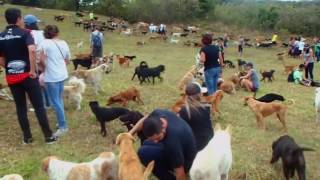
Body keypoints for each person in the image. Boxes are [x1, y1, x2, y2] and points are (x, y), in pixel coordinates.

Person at [0, 8, 57, 144]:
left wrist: (9, 68)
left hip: (12, 77)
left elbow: (0, 58)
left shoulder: (1, 36)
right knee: (38, 106)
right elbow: (31, 50)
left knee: (20, 108)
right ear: (19, 19)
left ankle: (27, 137)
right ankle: (48, 136)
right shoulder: (26, 33)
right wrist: (32, 70)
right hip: (28, 76)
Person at [130, 109, 197, 180]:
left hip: (186, 160)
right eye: (153, 139)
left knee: (143, 153)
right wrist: (130, 133)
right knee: (146, 143)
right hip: (182, 145)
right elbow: (145, 120)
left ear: (163, 128)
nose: (155, 142)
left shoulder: (172, 142)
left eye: (158, 138)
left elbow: (180, 172)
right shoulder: (158, 113)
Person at [39, 25, 70, 137]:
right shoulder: (64, 43)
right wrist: (58, 66)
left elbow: (41, 60)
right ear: (57, 32)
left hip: (51, 77)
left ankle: (63, 126)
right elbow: (67, 60)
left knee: (55, 102)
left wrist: (45, 69)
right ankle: (62, 122)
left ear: (45, 33)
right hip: (62, 75)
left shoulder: (44, 43)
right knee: (58, 99)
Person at [24, 14, 50, 108]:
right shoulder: (42, 33)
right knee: (44, 82)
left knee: (37, 85)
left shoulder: (26, 34)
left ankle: (41, 105)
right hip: (44, 60)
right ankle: (48, 103)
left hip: (33, 62)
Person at [178, 82, 213, 151]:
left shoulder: (184, 110)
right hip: (209, 142)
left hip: (194, 145)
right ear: (200, 94)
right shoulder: (207, 108)